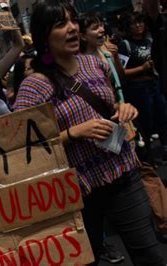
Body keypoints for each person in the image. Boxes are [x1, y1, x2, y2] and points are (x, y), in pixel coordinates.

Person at [13, 1, 164, 264]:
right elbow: (23, 148)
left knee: (151, 256)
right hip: (76, 194)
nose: (72, 28)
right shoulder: (34, 87)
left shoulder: (94, 65)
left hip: (124, 174)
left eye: (73, 20)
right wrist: (72, 133)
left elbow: (110, 104)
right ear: (43, 36)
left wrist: (123, 108)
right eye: (61, 24)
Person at [79, 12, 127, 265]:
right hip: (88, 171)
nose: (100, 31)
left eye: (101, 26)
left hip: (121, 143)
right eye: (93, 27)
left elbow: (119, 85)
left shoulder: (104, 56)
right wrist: (74, 132)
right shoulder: (39, 83)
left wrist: (123, 107)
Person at [118, 11, 167, 164]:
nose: (138, 25)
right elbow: (122, 73)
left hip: (155, 83)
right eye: (134, 23)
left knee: (163, 117)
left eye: (140, 22)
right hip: (138, 87)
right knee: (146, 122)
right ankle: (149, 157)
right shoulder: (125, 45)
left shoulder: (149, 39)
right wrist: (142, 67)